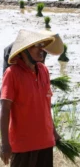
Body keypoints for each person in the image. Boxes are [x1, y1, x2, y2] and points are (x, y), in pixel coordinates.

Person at [0, 29, 63, 167]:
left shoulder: (44, 71)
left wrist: (53, 131)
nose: (42, 50)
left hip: (45, 141)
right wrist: (4, 143)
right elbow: (5, 110)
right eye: (37, 46)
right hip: (23, 144)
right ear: (24, 50)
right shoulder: (12, 74)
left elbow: (45, 106)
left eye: (42, 45)